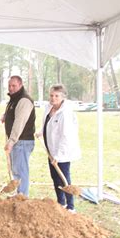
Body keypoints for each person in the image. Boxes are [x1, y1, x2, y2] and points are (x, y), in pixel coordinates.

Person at [39, 84, 81, 212]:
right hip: (51, 150)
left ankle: (71, 206)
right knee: (55, 177)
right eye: (51, 95)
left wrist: (58, 156)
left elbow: (66, 136)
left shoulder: (65, 113)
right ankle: (61, 202)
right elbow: (47, 124)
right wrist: (41, 132)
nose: (53, 98)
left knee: (63, 177)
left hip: (62, 151)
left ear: (62, 97)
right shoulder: (49, 107)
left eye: (56, 96)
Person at [2, 75, 36, 197]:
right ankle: (19, 194)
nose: (11, 88)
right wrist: (6, 115)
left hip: (22, 141)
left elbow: (20, 122)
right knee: (16, 170)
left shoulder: (24, 100)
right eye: (9, 85)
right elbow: (15, 113)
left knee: (21, 171)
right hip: (18, 141)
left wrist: (11, 141)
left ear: (21, 85)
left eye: (14, 85)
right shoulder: (15, 99)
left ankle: (23, 197)